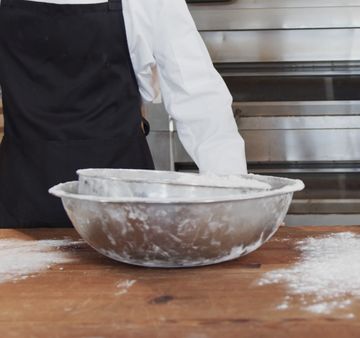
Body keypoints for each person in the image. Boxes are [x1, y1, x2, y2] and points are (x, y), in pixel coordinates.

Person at [0, 0, 247, 227]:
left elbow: (199, 99)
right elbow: (199, 97)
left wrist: (234, 208)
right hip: (19, 208)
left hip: (125, 209)